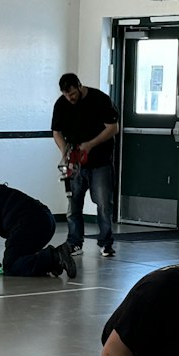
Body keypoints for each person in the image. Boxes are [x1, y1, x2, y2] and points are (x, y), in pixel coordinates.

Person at [50, 72, 120, 259]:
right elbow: (56, 131)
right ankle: (74, 242)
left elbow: (113, 127)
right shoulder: (61, 104)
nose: (70, 98)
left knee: (104, 204)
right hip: (75, 162)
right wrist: (64, 151)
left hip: (100, 162)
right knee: (74, 204)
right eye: (66, 95)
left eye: (72, 93)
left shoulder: (100, 99)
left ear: (79, 86)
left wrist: (90, 145)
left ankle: (106, 244)